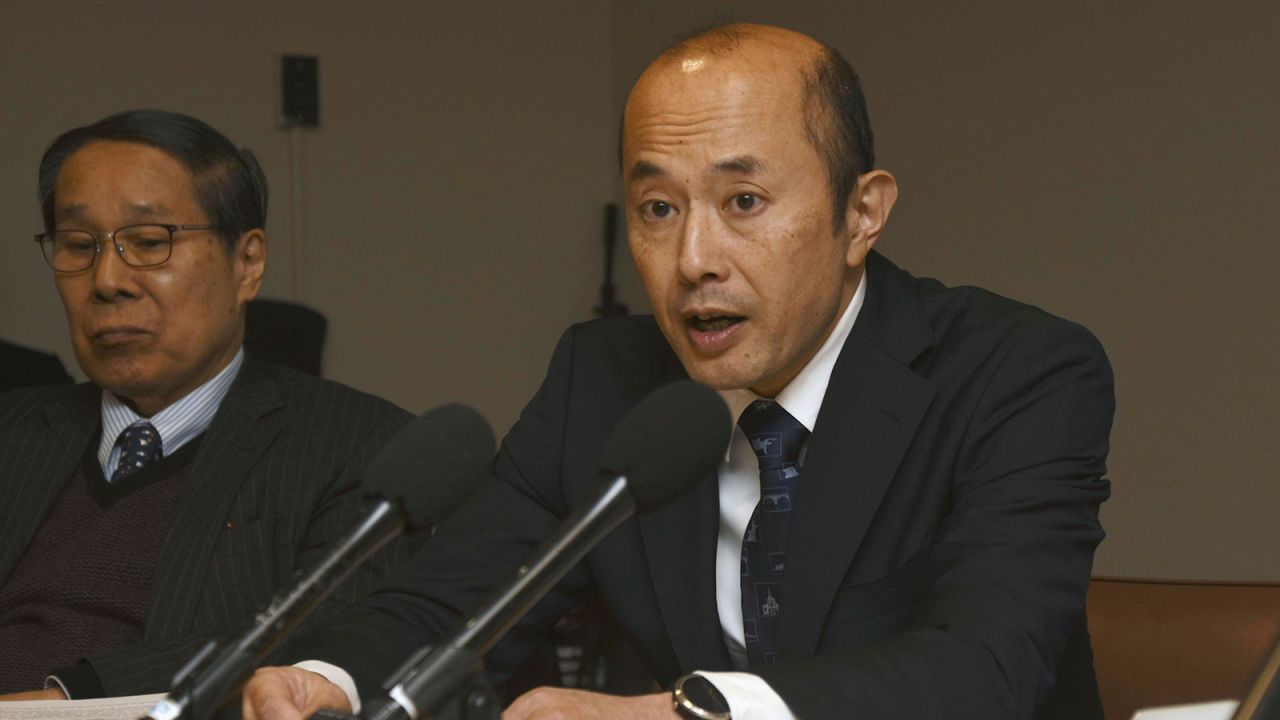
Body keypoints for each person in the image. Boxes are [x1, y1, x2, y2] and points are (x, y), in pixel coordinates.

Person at [243, 23, 1114, 720]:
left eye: (743, 202)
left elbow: (984, 669)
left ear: (862, 213)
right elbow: (456, 604)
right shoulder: (605, 377)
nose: (694, 258)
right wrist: (331, 679)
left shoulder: (1018, 373)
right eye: (658, 208)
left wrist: (688, 714)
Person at [0, 110, 418, 701]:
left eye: (148, 242)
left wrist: (72, 698)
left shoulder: (358, 445)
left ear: (247, 263)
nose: (107, 280)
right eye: (77, 245)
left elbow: (337, 633)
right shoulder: (13, 433)